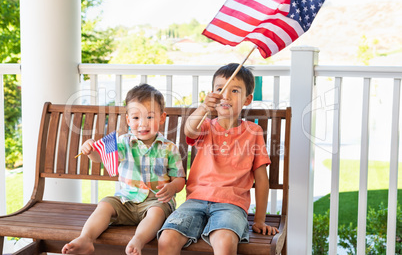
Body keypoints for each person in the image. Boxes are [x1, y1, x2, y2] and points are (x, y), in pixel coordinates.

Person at [157, 63, 279, 255]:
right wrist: (204, 107)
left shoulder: (253, 132)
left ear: (247, 99)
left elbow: (261, 178)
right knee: (167, 238)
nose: (226, 95)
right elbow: (189, 129)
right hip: (195, 201)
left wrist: (260, 220)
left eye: (235, 90)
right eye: (220, 89)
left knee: (224, 242)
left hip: (231, 205)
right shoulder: (205, 126)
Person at [62, 83, 186, 255]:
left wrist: (172, 187)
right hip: (125, 200)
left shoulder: (169, 148)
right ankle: (86, 239)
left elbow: (179, 178)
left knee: (156, 213)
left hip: (155, 201)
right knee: (105, 204)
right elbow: (100, 158)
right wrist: (90, 151)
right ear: (128, 120)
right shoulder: (123, 142)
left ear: (162, 118)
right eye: (136, 118)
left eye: (149, 117)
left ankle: (138, 240)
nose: (142, 124)